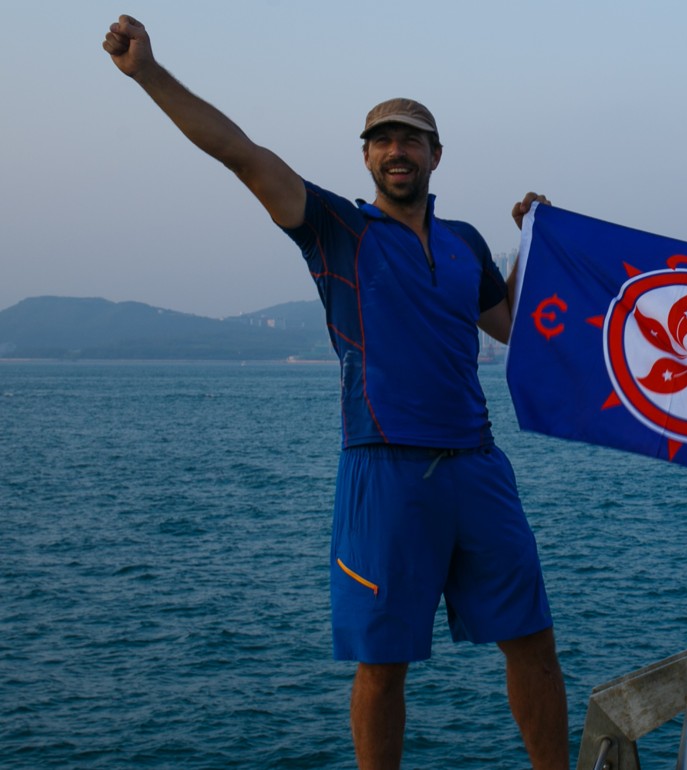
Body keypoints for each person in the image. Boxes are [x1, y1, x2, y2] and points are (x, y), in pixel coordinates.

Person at [103, 15, 568, 770]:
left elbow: (511, 327)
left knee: (533, 640)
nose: (397, 150)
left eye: (411, 138)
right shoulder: (336, 230)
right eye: (382, 139)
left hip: (478, 465)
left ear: (435, 154)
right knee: (383, 664)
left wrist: (536, 245)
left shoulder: (466, 244)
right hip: (384, 470)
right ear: (366, 155)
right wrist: (149, 74)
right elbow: (240, 154)